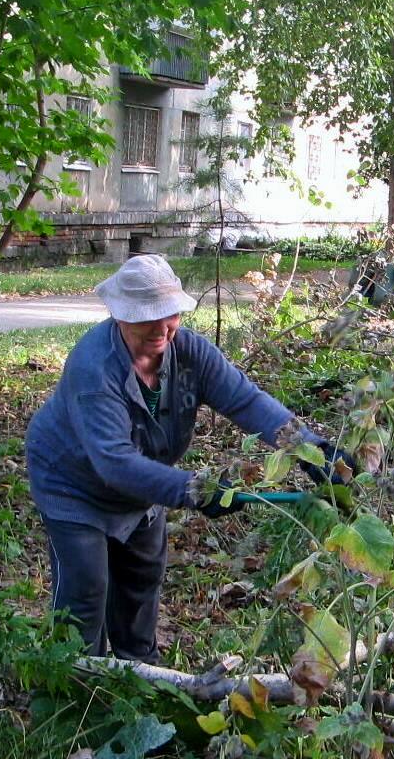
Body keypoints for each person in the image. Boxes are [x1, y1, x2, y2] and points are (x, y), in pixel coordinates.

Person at [25, 253, 353, 661]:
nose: (163, 329)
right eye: (149, 317)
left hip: (143, 481)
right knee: (86, 586)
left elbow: (245, 401)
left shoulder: (189, 351)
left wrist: (310, 450)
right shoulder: (94, 369)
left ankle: (139, 670)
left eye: (171, 315)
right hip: (73, 482)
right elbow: (114, 462)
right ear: (122, 316)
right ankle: (75, 683)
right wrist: (196, 488)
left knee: (142, 575)